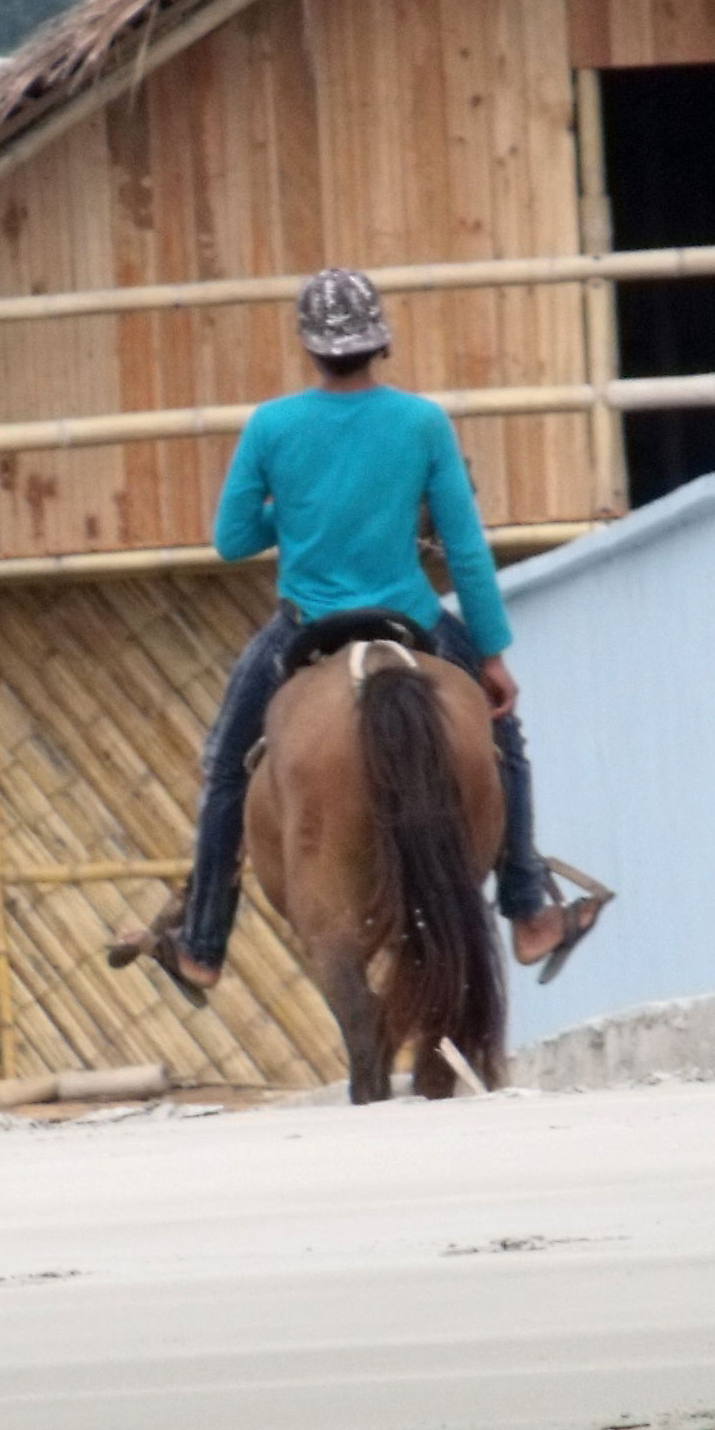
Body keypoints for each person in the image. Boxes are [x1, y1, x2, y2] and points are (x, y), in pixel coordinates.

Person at [121, 267, 601, 1001]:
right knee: (504, 741)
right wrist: (495, 655)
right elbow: (467, 549)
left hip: (305, 625)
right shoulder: (422, 423)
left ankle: (203, 943)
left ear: (311, 349)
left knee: (225, 765)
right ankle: (530, 909)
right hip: (413, 617)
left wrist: (304, 511)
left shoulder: (272, 426)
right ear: (381, 342)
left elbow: (231, 538)